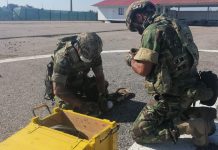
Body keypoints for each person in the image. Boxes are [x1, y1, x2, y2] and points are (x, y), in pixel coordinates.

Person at [125, 0, 218, 149]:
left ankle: (188, 126)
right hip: (192, 90)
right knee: (173, 111)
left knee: (139, 132)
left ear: (139, 17)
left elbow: (144, 70)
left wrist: (131, 60)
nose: (139, 31)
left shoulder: (152, 30)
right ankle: (202, 115)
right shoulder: (179, 24)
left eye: (136, 27)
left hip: (172, 96)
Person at [50, 32, 113, 115]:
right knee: (67, 109)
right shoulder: (63, 57)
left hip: (80, 80)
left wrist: (102, 95)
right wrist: (82, 105)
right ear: (78, 47)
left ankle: (85, 100)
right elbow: (58, 90)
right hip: (65, 86)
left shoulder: (95, 54)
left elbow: (99, 76)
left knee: (102, 87)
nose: (91, 59)